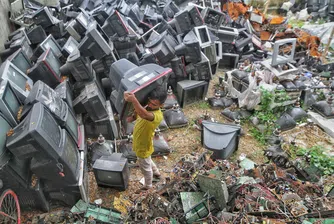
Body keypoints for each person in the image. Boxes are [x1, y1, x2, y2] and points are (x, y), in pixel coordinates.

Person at [124, 86, 167, 191]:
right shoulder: (147, 107)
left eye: (154, 104)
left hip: (143, 145)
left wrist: (134, 100)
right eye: (150, 102)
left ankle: (148, 186)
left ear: (161, 105)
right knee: (147, 160)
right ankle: (156, 172)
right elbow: (139, 114)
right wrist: (132, 117)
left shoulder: (157, 115)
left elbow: (143, 114)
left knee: (145, 167)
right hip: (140, 142)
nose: (151, 105)